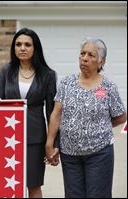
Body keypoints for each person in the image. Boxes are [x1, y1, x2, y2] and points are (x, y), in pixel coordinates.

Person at [45, 37, 127, 198]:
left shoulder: (108, 87)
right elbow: (56, 113)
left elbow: (121, 116)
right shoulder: (67, 83)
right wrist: (50, 142)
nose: (84, 58)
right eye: (82, 53)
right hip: (69, 154)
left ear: (101, 62)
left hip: (100, 154)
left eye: (91, 55)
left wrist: (101, 125)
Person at [0, 28, 58, 198]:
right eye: (18, 44)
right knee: (7, 185)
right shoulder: (5, 72)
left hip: (35, 139)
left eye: (27, 45)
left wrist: (52, 143)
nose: (22, 48)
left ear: (35, 48)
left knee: (34, 185)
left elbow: (52, 112)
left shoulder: (48, 75)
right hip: (7, 137)